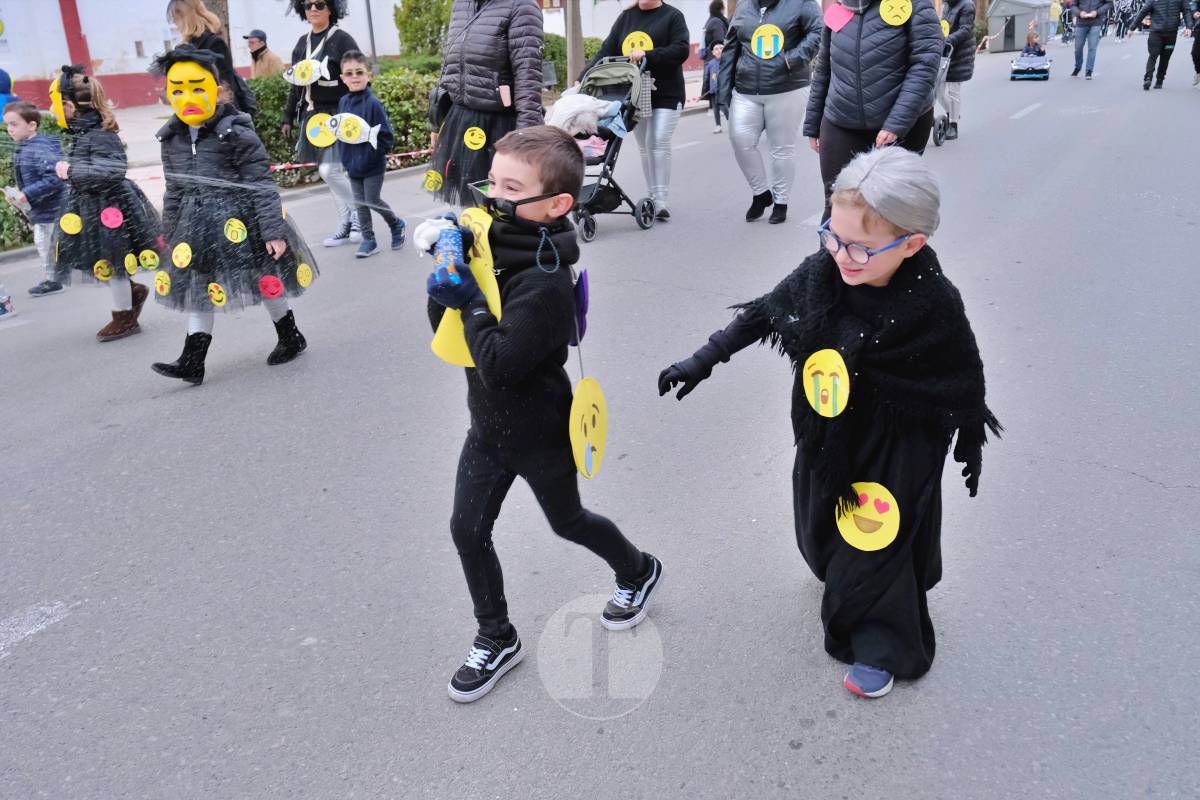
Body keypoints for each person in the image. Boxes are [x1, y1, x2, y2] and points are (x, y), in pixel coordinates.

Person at [658, 148, 999, 699]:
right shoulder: (827, 268)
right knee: (821, 516)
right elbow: (767, 310)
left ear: (912, 243)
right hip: (829, 422)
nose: (842, 254)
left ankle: (883, 645)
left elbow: (959, 379)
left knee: (875, 537)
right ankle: (844, 573)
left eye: (861, 247)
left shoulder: (933, 302)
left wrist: (951, 439)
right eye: (831, 235)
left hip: (902, 436)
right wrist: (704, 358)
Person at [419, 126, 662, 703]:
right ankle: (496, 635)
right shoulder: (491, 241)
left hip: (540, 430)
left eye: (511, 188)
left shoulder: (545, 281)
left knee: (568, 521)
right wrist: (446, 278)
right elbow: (451, 329)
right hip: (486, 426)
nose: (493, 197)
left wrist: (472, 301)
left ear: (557, 205)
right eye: (492, 182)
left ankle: (637, 570)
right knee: (466, 529)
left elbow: (500, 362)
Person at [149, 45, 317, 386]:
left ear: (216, 89)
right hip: (195, 228)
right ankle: (193, 361)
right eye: (178, 90)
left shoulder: (235, 131)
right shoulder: (172, 138)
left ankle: (290, 335)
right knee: (199, 286)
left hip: (241, 224)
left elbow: (260, 183)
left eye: (197, 87)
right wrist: (169, 231)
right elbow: (175, 189)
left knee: (264, 280)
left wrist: (272, 230)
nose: (187, 97)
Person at [49, 66, 160, 342]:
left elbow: (111, 171)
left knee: (114, 260)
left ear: (69, 106)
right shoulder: (83, 131)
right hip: (92, 205)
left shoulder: (98, 133)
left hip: (110, 209)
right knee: (106, 259)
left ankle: (123, 316)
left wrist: (71, 172)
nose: (52, 112)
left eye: (54, 105)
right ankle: (132, 292)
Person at [804, 0, 942, 221]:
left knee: (892, 213)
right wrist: (813, 122)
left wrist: (897, 122)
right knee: (837, 207)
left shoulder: (914, 3)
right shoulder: (840, 6)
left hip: (901, 123)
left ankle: (902, 255)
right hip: (841, 119)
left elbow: (925, 63)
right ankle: (834, 255)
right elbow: (824, 67)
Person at [429, 0, 545, 207]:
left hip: (498, 126)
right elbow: (449, 67)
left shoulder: (522, 6)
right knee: (471, 207)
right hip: (460, 120)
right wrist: (437, 122)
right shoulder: (461, 5)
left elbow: (529, 79)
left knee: (501, 206)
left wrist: (526, 139)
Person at [718, 0, 823, 225]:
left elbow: (818, 31)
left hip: (787, 87)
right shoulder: (744, 6)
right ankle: (761, 193)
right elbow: (731, 47)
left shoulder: (802, 3)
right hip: (745, 89)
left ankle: (781, 201)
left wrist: (791, 59)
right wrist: (723, 90)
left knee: (781, 148)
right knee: (740, 141)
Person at [586, 0, 690, 221]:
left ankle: (661, 199)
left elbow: (681, 49)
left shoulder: (672, 16)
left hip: (667, 92)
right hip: (635, 94)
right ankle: (652, 196)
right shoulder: (626, 18)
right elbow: (606, 50)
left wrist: (648, 55)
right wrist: (583, 75)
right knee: (644, 147)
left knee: (658, 141)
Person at [281, 0, 362, 247]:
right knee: (331, 171)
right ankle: (346, 223)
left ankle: (360, 215)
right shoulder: (301, 44)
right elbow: (296, 85)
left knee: (331, 170)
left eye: (319, 4)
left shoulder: (342, 40)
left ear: (331, 9)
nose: (313, 9)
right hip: (315, 116)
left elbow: (358, 75)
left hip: (339, 112)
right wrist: (287, 117)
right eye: (307, 5)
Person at [336, 50, 405, 258]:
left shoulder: (373, 104)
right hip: (352, 165)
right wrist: (345, 158)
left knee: (372, 200)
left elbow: (386, 137)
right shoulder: (343, 103)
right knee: (360, 204)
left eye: (359, 72)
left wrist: (371, 155)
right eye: (349, 73)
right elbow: (340, 133)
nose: (355, 77)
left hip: (373, 165)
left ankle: (396, 224)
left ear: (369, 75)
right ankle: (369, 240)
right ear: (343, 78)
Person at [4, 101, 69, 298]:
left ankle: (55, 280)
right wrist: (19, 195)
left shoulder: (38, 147)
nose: (9, 129)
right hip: (45, 209)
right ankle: (59, 276)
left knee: (46, 244)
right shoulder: (29, 146)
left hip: (51, 210)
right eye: (7, 124)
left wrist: (27, 193)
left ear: (32, 125)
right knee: (51, 244)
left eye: (14, 124)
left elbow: (54, 179)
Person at [167, 0, 257, 114]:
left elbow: (225, 85)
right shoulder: (186, 46)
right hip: (194, 110)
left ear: (187, 16)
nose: (174, 23)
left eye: (176, 18)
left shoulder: (213, 43)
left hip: (217, 113)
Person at [1128, 0, 1190, 88]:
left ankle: (1160, 80)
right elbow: (1143, 11)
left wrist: (1189, 27)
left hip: (1171, 34)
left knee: (1165, 57)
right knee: (1153, 55)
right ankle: (1148, 78)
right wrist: (1132, 28)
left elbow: (1186, 11)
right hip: (1156, 33)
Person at [939, 0, 977, 142]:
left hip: (960, 53)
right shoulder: (947, 4)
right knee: (938, 91)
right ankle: (953, 112)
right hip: (945, 51)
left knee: (953, 90)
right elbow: (944, 25)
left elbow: (966, 29)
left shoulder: (967, 5)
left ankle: (953, 124)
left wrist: (948, 40)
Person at [1071, 0, 1113, 77]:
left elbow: (1109, 3)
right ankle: (1078, 67)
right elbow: (1073, 5)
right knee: (1078, 48)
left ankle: (1089, 70)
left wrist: (1097, 12)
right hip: (1081, 23)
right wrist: (1079, 13)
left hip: (1096, 23)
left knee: (1092, 48)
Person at [703, 42, 724, 133]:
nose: (719, 50)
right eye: (716, 49)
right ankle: (718, 125)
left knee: (726, 108)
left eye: (721, 48)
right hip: (713, 90)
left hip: (725, 90)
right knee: (716, 109)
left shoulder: (728, 62)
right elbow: (707, 78)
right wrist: (706, 90)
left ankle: (732, 123)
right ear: (713, 52)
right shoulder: (710, 64)